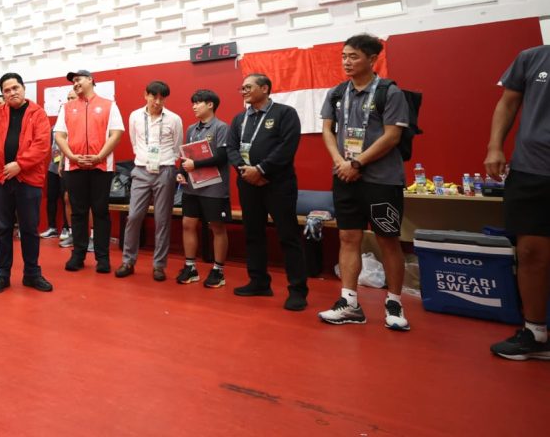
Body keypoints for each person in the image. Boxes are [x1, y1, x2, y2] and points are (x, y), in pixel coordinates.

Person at [318, 35, 411, 330]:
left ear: (372, 59)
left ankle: (394, 303)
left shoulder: (389, 92)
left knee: (387, 240)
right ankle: (349, 303)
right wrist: (341, 163)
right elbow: (327, 131)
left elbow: (392, 135)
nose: (346, 61)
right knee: (348, 238)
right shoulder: (335, 93)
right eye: (344, 56)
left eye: (353, 56)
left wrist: (357, 163)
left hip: (382, 180)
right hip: (344, 176)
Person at [485, 44, 550, 360]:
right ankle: (536, 333)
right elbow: (508, 103)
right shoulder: (532, 57)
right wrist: (494, 147)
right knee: (530, 252)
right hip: (532, 170)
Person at [226, 73, 308, 311]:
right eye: (242, 88)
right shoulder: (240, 119)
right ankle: (259, 281)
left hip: (278, 184)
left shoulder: (285, 113)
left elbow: (287, 147)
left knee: (288, 236)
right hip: (247, 184)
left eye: (248, 87)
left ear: (264, 88)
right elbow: (231, 148)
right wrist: (245, 171)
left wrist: (261, 170)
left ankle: (298, 291)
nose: (243, 91)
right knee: (253, 233)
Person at [0, 73, 52, 293]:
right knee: (2, 229)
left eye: (15, 88)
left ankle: (32, 274)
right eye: (7, 90)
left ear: (23, 88)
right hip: (0, 179)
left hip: (28, 179)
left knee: (30, 229)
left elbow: (42, 146)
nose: (12, 93)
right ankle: (2, 275)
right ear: (3, 94)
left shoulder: (38, 114)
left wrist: (19, 164)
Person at [54, 69, 124, 273]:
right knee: (78, 213)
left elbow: (116, 133)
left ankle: (103, 258)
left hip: (101, 167)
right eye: (73, 81)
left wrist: (100, 156)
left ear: (91, 80)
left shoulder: (109, 105)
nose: (75, 83)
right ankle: (78, 255)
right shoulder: (66, 108)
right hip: (74, 167)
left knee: (101, 212)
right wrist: (71, 156)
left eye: (78, 79)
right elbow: (59, 135)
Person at [116, 81, 183, 281]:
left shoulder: (174, 119)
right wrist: (144, 159)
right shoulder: (135, 116)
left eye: (162, 97)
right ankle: (128, 260)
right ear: (145, 95)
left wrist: (165, 162)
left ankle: (159, 265)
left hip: (165, 169)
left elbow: (177, 145)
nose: (157, 101)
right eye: (154, 96)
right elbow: (134, 142)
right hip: (141, 169)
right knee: (134, 216)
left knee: (163, 219)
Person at [176, 89, 231, 289]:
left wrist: (195, 166)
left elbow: (222, 157)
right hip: (192, 187)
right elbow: (186, 156)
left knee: (217, 227)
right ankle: (190, 267)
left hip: (214, 188)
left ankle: (218, 270)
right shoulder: (191, 129)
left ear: (210, 105)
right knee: (188, 224)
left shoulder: (221, 127)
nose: (194, 106)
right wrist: (181, 171)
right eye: (193, 103)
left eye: (198, 103)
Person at [42, 90, 78, 241]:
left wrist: (62, 163)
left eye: (72, 97)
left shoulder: (76, 124)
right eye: (68, 98)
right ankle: (52, 227)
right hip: (53, 166)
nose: (69, 100)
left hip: (67, 166)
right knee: (51, 197)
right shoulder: (54, 128)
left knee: (66, 198)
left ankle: (66, 228)